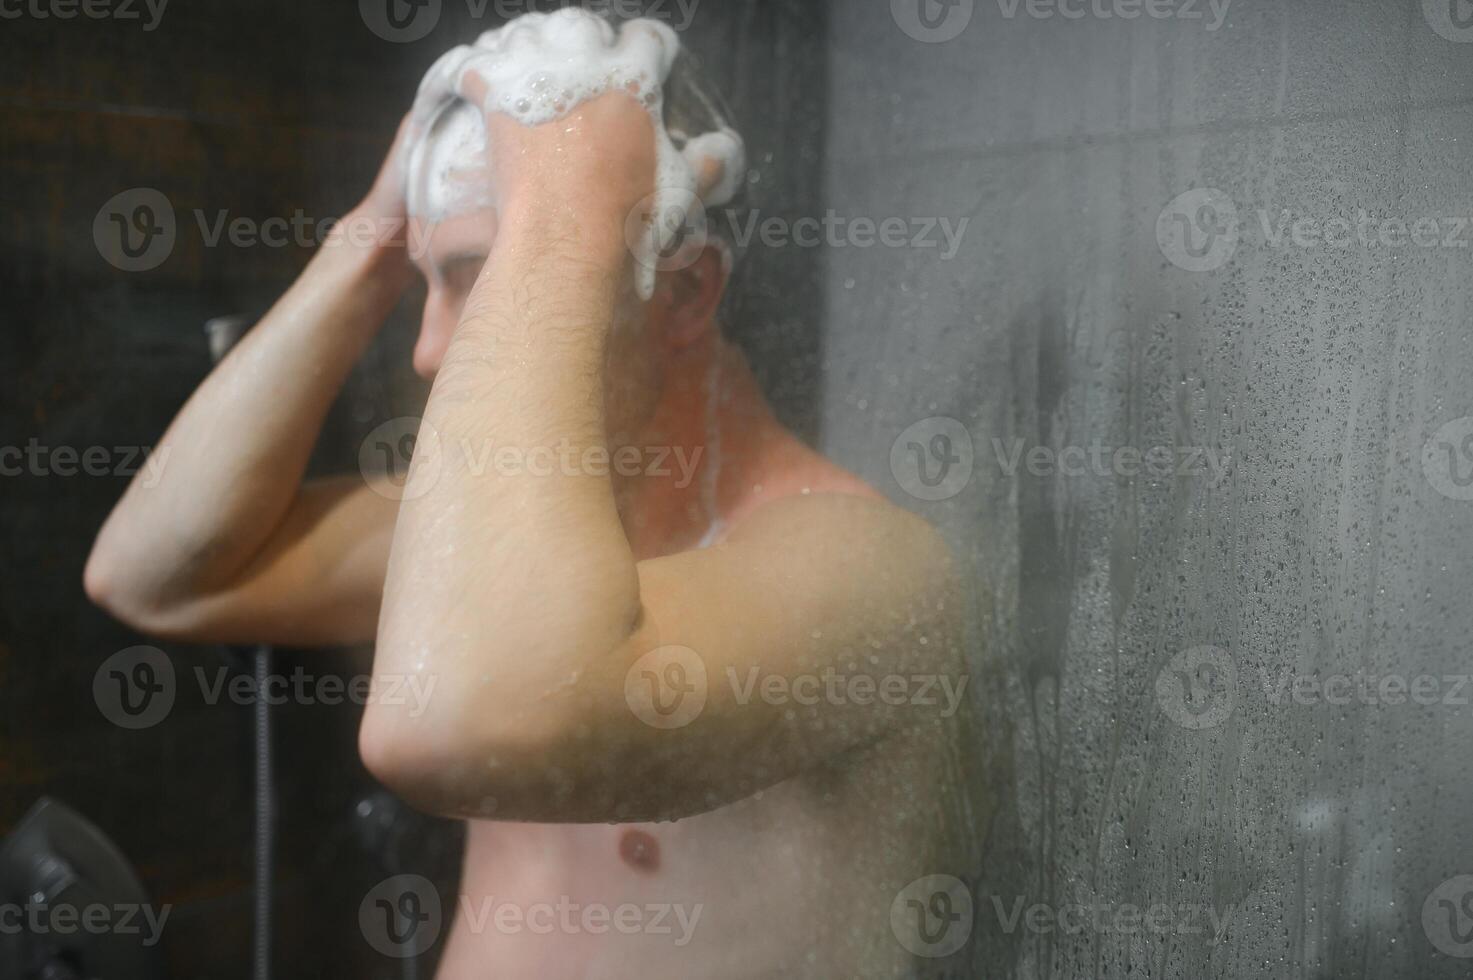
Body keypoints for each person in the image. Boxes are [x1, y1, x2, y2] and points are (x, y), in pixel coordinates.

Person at [85, 11, 972, 977]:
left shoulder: (867, 572)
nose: (426, 352)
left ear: (681, 295)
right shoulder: (501, 542)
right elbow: (154, 577)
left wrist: (563, 217)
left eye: (477, 276)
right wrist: (373, 242)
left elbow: (463, 721)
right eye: (428, 284)